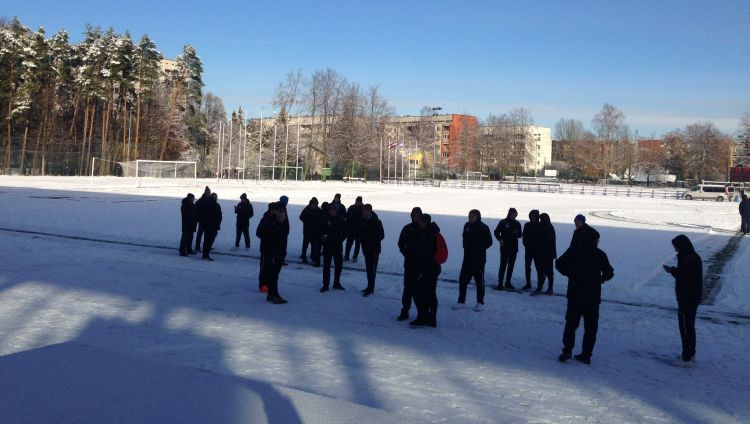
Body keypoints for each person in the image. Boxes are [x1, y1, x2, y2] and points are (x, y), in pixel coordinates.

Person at [556, 230, 614, 365]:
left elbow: (559, 264)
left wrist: (570, 274)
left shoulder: (574, 250)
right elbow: (609, 273)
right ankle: (586, 354)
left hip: (575, 294)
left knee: (571, 324)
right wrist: (601, 279)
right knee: (591, 327)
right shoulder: (599, 254)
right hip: (592, 296)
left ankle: (567, 351)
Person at [664, 234, 703, 366]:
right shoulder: (689, 256)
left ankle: (686, 357)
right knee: (688, 327)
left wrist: (672, 271)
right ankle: (690, 354)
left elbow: (685, 277)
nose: (675, 249)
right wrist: (673, 271)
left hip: (687, 298)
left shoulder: (689, 258)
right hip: (689, 297)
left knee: (686, 327)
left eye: (676, 247)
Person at [454, 209, 493, 311]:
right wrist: (466, 246)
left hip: (479, 259)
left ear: (477, 217)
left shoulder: (484, 227)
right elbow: (464, 237)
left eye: (472, 216)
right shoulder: (467, 225)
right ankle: (461, 301)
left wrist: (479, 248)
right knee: (463, 280)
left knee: (479, 282)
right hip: (467, 258)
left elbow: (489, 242)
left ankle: (480, 302)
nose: (470, 218)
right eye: (469, 216)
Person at [412, 214, 441, 327]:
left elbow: (426, 253)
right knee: (428, 293)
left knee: (420, 291)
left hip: (429, 268)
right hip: (430, 268)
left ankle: (425, 317)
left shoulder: (429, 234)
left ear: (425, 222)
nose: (419, 223)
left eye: (420, 222)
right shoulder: (430, 232)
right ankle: (429, 317)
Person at [257, 202, 288, 304]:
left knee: (275, 273)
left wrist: (283, 251)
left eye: (283, 213)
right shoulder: (267, 220)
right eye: (280, 212)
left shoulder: (284, 221)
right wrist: (270, 239)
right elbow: (259, 233)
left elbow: (285, 235)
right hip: (269, 250)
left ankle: (271, 294)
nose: (282, 215)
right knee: (270, 272)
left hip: (280, 251)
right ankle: (273, 294)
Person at [397, 207, 423, 321]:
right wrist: (406, 253)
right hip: (409, 263)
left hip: (422, 265)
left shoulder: (424, 228)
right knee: (407, 288)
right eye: (414, 215)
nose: (416, 217)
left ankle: (421, 313)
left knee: (420, 290)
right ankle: (405, 310)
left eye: (418, 215)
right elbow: (400, 243)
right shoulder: (407, 228)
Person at [358, 204, 385, 296]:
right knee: (369, 269)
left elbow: (381, 235)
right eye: (363, 210)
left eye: (364, 210)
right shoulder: (364, 220)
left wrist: (371, 240)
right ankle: (369, 286)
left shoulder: (376, 221)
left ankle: (371, 288)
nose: (363, 212)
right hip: (366, 249)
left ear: (369, 211)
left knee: (372, 270)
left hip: (374, 250)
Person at [494, 207, 522, 290]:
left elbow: (520, 235)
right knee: (503, 266)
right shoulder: (503, 222)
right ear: (509, 214)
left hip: (513, 248)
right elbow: (496, 232)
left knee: (511, 266)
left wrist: (517, 233)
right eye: (512, 214)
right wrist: (500, 239)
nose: (513, 216)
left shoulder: (517, 223)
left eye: (515, 215)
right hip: (504, 247)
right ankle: (500, 283)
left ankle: (508, 282)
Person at [320, 203, 346, 292]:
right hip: (327, 247)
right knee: (326, 267)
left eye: (334, 210)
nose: (332, 212)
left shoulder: (340, 220)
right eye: (331, 210)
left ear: (337, 211)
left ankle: (336, 283)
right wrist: (322, 237)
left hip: (338, 247)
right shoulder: (325, 219)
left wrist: (340, 239)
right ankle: (325, 284)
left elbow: (345, 232)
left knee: (338, 266)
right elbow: (320, 230)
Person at [532, 213, 557, 296]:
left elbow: (547, 242)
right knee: (542, 271)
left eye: (541, 219)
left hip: (546, 254)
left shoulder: (548, 228)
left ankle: (547, 288)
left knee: (547, 272)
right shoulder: (545, 227)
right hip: (542, 254)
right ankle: (543, 287)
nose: (540, 221)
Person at [522, 209, 545, 291]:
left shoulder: (541, 225)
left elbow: (543, 239)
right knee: (527, 267)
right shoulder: (527, 225)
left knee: (539, 268)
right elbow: (524, 237)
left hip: (538, 251)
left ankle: (539, 285)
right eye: (532, 215)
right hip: (528, 250)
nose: (534, 217)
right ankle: (528, 283)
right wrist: (527, 246)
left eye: (535, 216)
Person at [299, 197, 323, 266]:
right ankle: (303, 256)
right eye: (312, 204)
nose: (313, 206)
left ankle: (313, 256)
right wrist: (307, 221)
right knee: (305, 244)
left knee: (314, 245)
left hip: (315, 231)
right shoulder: (307, 209)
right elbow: (301, 217)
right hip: (307, 230)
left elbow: (321, 219)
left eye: (315, 204)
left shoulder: (319, 210)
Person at [256, 203, 275, 292]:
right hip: (265, 247)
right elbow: (258, 232)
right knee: (264, 267)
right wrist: (267, 238)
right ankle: (262, 284)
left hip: (273, 248)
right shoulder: (265, 219)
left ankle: (269, 284)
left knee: (271, 267)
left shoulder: (277, 220)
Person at [201, 192, 222, 261]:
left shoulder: (206, 204)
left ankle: (205, 254)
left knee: (206, 240)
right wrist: (217, 224)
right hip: (212, 226)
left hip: (207, 225)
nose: (217, 198)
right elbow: (219, 217)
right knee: (209, 241)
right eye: (216, 197)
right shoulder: (216, 205)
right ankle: (206, 255)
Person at [345, 196, 364, 262]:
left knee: (357, 245)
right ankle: (346, 256)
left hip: (359, 230)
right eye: (357, 201)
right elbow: (347, 217)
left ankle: (355, 257)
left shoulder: (363, 209)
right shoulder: (351, 207)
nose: (358, 203)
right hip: (351, 230)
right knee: (349, 244)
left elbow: (364, 219)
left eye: (359, 202)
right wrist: (347, 227)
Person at [194, 186, 211, 253]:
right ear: (205, 193)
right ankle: (197, 246)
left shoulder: (210, 200)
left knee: (207, 235)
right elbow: (196, 210)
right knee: (200, 234)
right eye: (208, 193)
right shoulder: (200, 201)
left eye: (209, 193)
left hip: (208, 221)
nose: (209, 194)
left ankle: (206, 246)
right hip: (202, 220)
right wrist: (199, 218)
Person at [278, 195, 290, 265]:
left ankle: (280, 259)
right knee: (281, 247)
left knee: (282, 247)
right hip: (282, 232)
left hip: (284, 231)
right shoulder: (281, 208)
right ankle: (280, 260)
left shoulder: (283, 207)